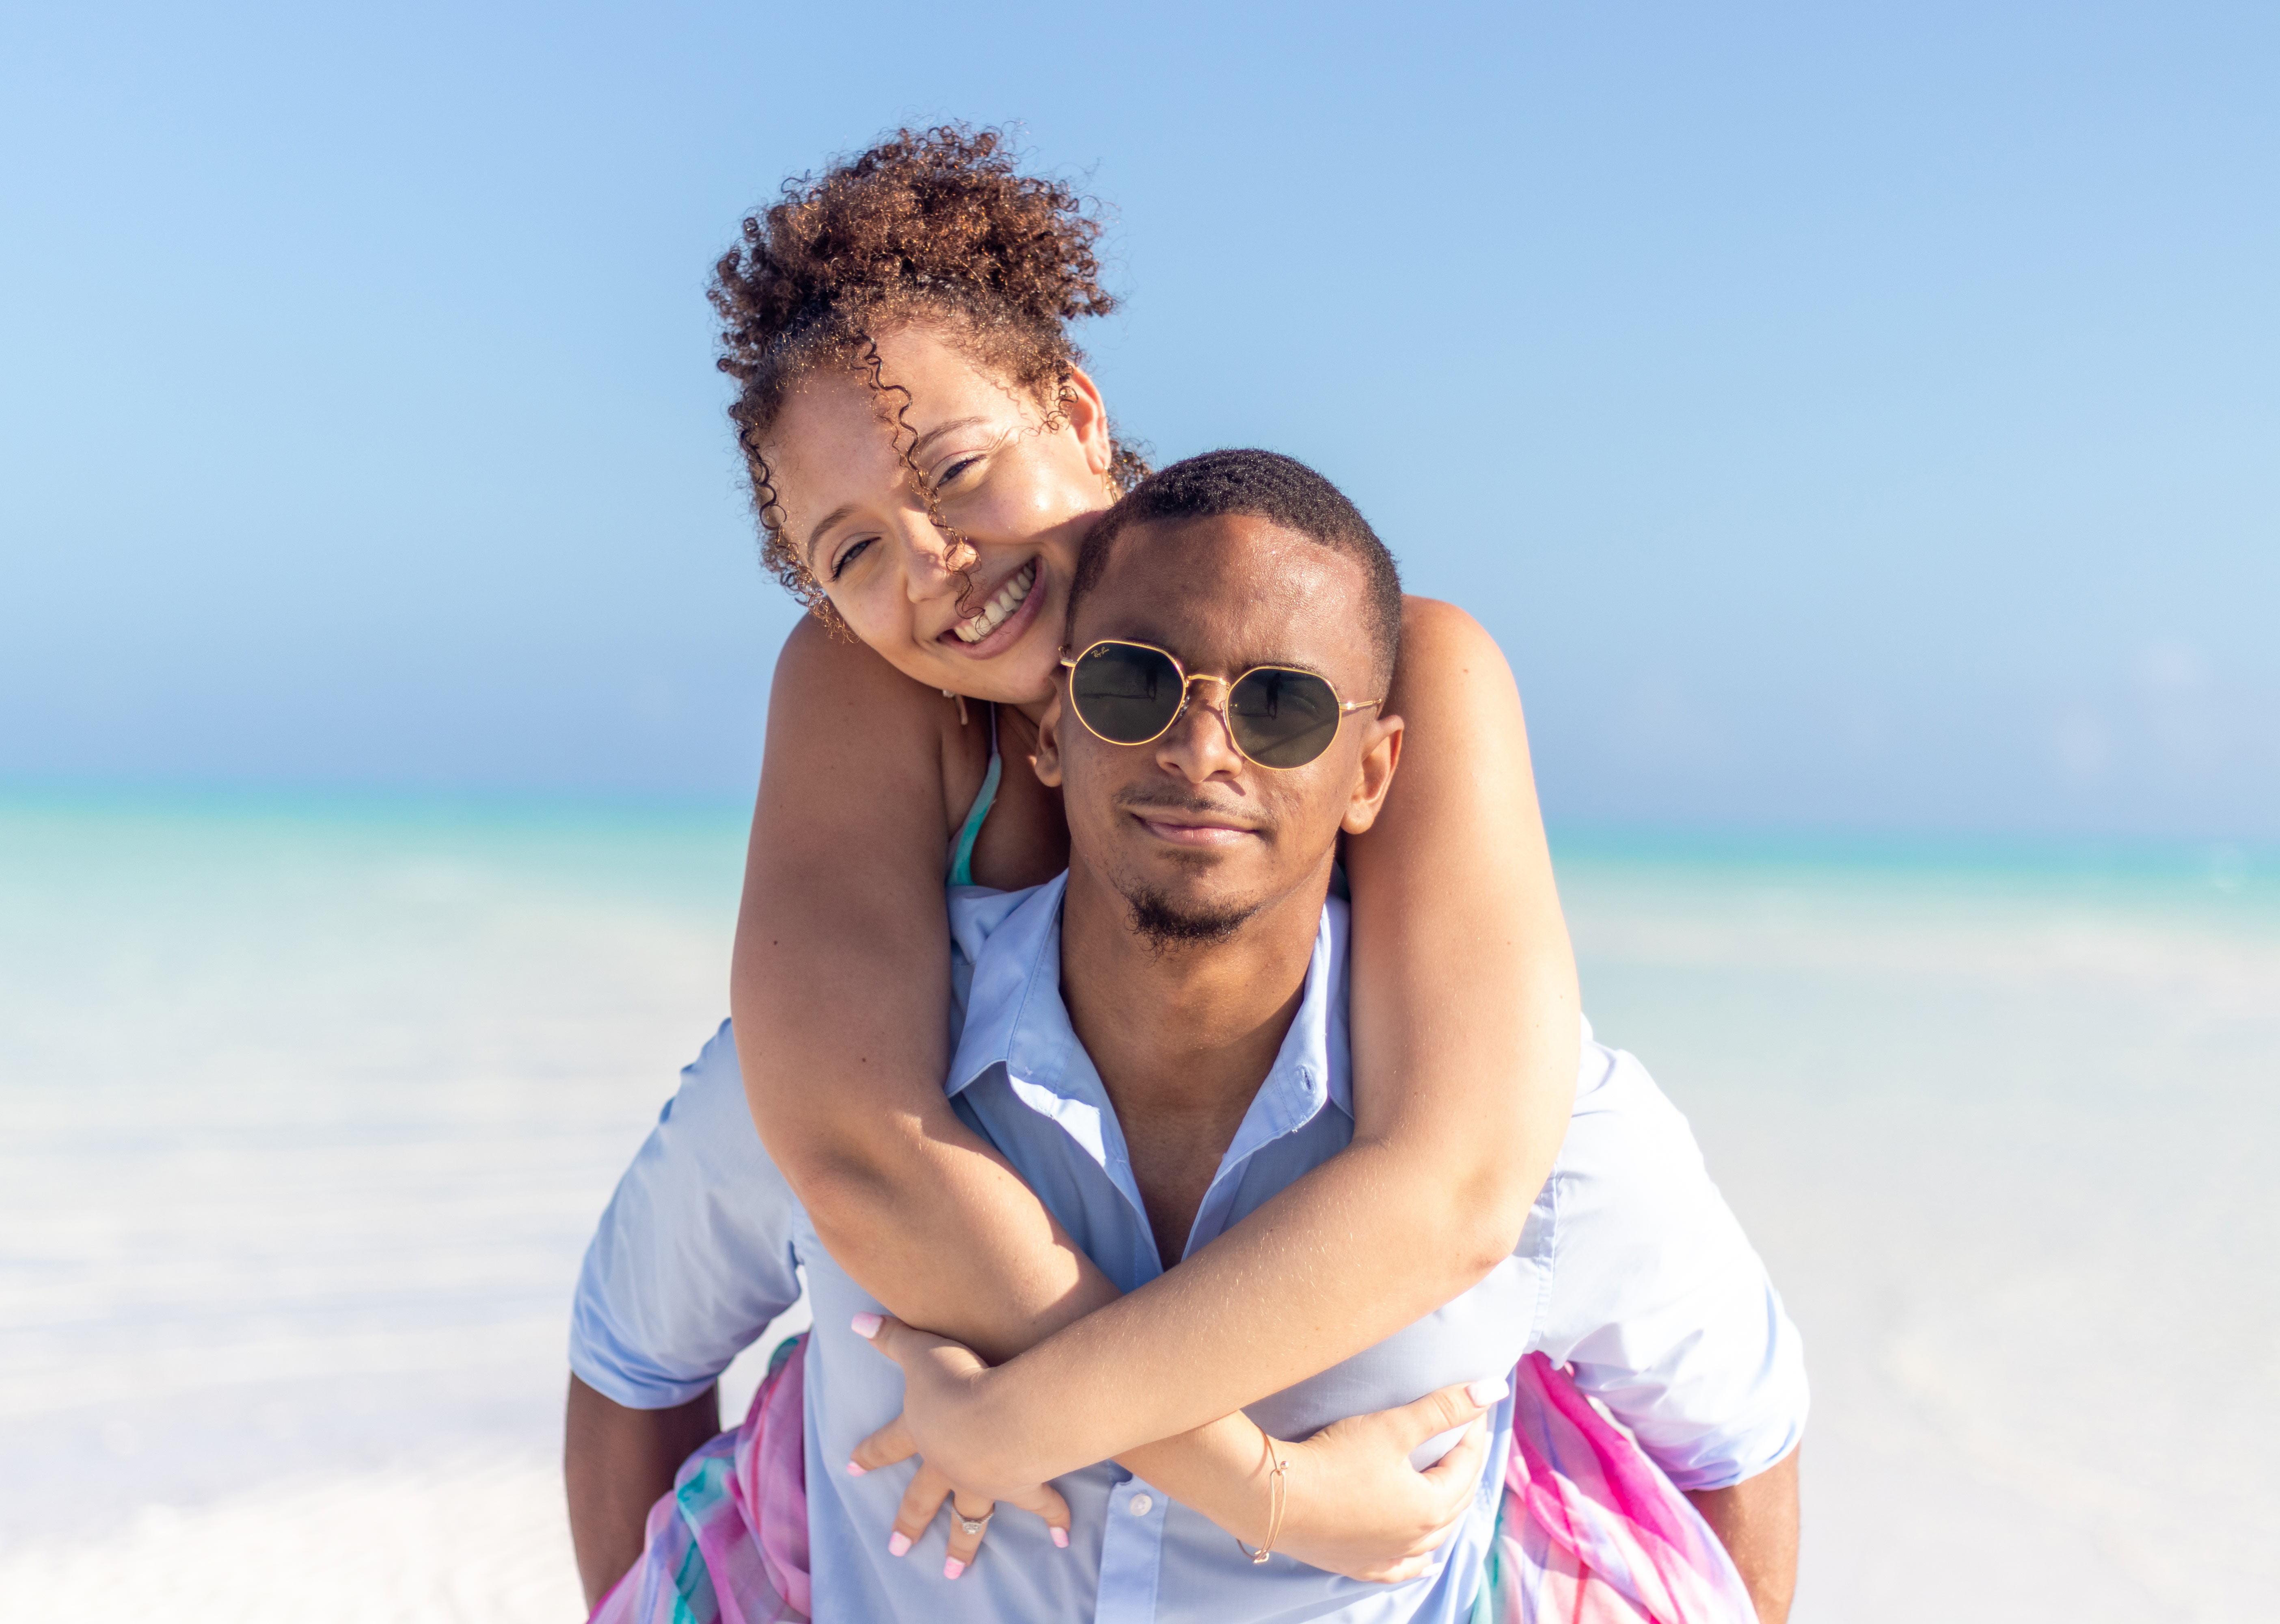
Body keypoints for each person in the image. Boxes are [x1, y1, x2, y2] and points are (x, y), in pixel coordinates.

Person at [567, 125, 1587, 1603]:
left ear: (1077, 412)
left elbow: (1459, 1181)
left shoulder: (1387, 666)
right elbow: (863, 1157)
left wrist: (1030, 1415)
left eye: (957, 470)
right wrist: (1266, 1488)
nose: (933, 565)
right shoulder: (870, 695)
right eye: (851, 554)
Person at [570, 450, 1807, 1622]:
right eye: (1133, 684)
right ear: (1050, 730)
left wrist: (1026, 1415)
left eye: (1283, 707)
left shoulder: (1549, 1132)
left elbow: (1736, 1446)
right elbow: (634, 1362)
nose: (1201, 750)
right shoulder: (841, 1077)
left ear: (1372, 775)